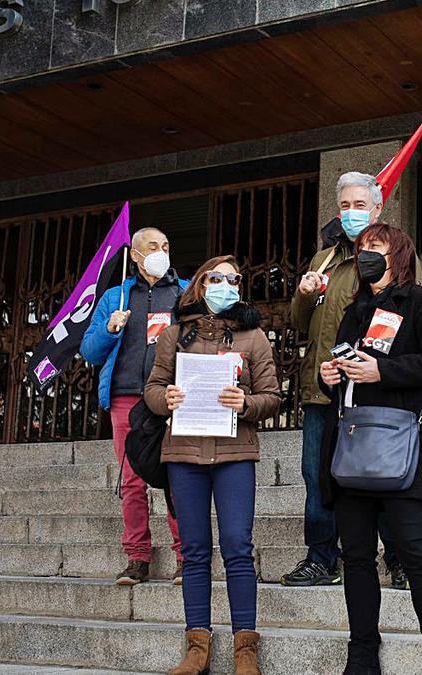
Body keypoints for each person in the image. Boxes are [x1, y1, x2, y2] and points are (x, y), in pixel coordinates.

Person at [318, 223, 422, 675]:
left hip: (402, 446)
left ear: (397, 254)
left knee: (416, 552)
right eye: (361, 249)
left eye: (375, 248)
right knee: (356, 556)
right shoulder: (354, 309)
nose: (365, 255)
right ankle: (362, 655)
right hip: (353, 445)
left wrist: (384, 372)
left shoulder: (421, 302)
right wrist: (331, 376)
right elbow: (342, 369)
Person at [145, 255, 280, 675]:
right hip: (184, 454)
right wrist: (162, 399)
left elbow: (273, 396)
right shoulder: (172, 335)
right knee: (196, 551)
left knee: (238, 548)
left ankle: (245, 650)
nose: (226, 285)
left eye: (233, 279)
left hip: (235, 454)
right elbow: (152, 387)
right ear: (201, 284)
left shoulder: (253, 336)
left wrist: (247, 403)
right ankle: (197, 647)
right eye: (217, 278)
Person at [283, 172, 412, 589]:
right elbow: (297, 323)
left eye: (360, 205)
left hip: (372, 386)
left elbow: (410, 316)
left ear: (377, 208)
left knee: (379, 473)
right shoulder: (323, 259)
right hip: (322, 387)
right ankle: (322, 557)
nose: (351, 213)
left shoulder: (393, 254)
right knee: (316, 474)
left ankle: (397, 558)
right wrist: (303, 293)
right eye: (344, 206)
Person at [80, 227, 187, 586]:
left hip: (172, 396)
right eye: (153, 247)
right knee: (131, 481)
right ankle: (137, 557)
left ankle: (186, 556)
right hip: (126, 396)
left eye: (166, 246)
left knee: (177, 477)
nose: (161, 251)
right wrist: (111, 328)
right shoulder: (116, 297)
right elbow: (89, 351)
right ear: (136, 256)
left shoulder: (186, 292)